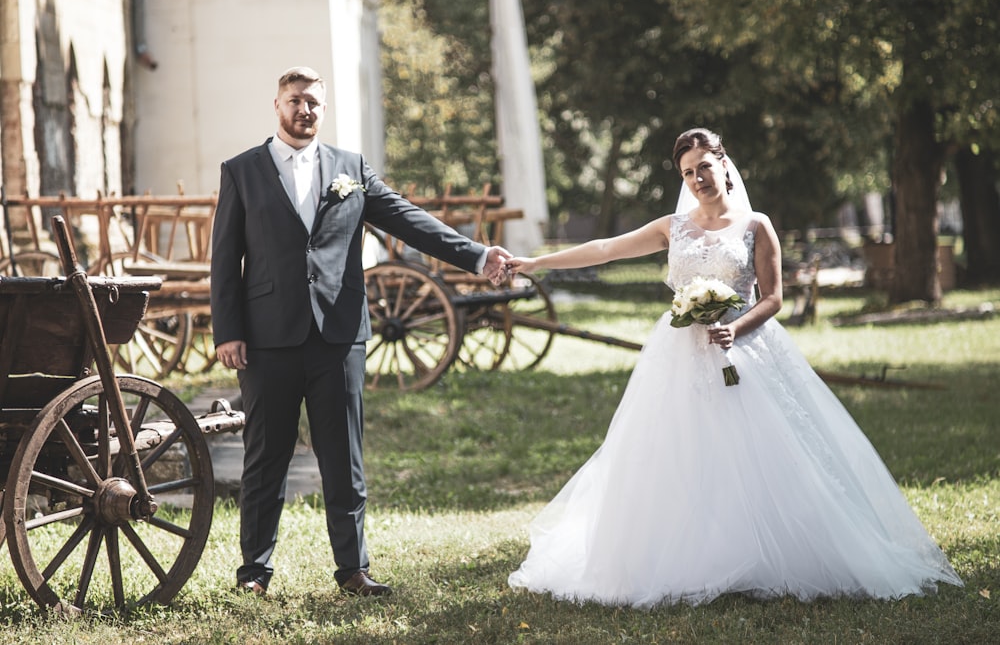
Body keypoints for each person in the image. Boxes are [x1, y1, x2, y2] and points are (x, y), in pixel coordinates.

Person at [504, 127, 963, 607]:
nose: (698, 177)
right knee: (676, 451)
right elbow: (604, 248)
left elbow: (774, 299)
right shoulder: (672, 227)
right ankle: (692, 557)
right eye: (688, 172)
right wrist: (535, 263)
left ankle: (768, 554)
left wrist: (736, 329)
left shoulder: (755, 226)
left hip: (746, 352)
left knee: (760, 454)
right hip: (679, 357)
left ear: (724, 164)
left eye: (704, 165)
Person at [210, 66, 510, 597]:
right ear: (276, 105)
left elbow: (408, 219)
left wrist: (478, 255)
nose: (305, 110)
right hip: (267, 338)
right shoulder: (241, 170)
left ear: (323, 110)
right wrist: (228, 331)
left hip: (339, 335)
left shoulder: (350, 168)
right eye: (295, 101)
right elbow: (223, 259)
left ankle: (353, 569)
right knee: (265, 457)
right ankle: (254, 573)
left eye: (314, 104)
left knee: (343, 456)